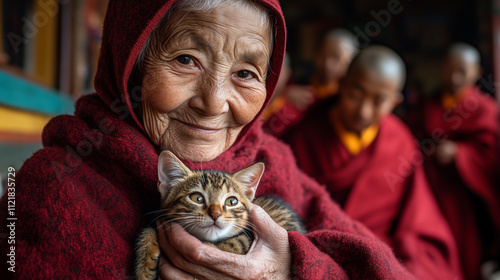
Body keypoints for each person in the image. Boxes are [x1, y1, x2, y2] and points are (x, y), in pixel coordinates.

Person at [0, 0, 416, 279]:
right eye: (186, 59)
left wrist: (293, 269)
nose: (215, 102)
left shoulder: (274, 159)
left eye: (246, 74)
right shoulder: (51, 189)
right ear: (129, 62)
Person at [283, 45, 463, 280]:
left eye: (379, 102)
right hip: (318, 251)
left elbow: (416, 214)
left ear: (395, 102)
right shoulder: (302, 136)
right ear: (342, 83)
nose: (364, 111)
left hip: (381, 254)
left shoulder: (400, 140)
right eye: (355, 95)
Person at [407, 43, 500, 280]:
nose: (455, 76)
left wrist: (460, 153)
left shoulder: (486, 109)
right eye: (450, 69)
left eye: (462, 70)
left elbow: (491, 154)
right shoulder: (428, 104)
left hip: (468, 192)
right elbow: (412, 138)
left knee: (469, 242)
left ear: (477, 72)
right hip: (432, 185)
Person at [263, 29, 358, 137]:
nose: (327, 64)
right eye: (323, 54)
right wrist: (282, 95)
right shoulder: (296, 85)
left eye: (336, 58)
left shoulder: (344, 98)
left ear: (350, 63)